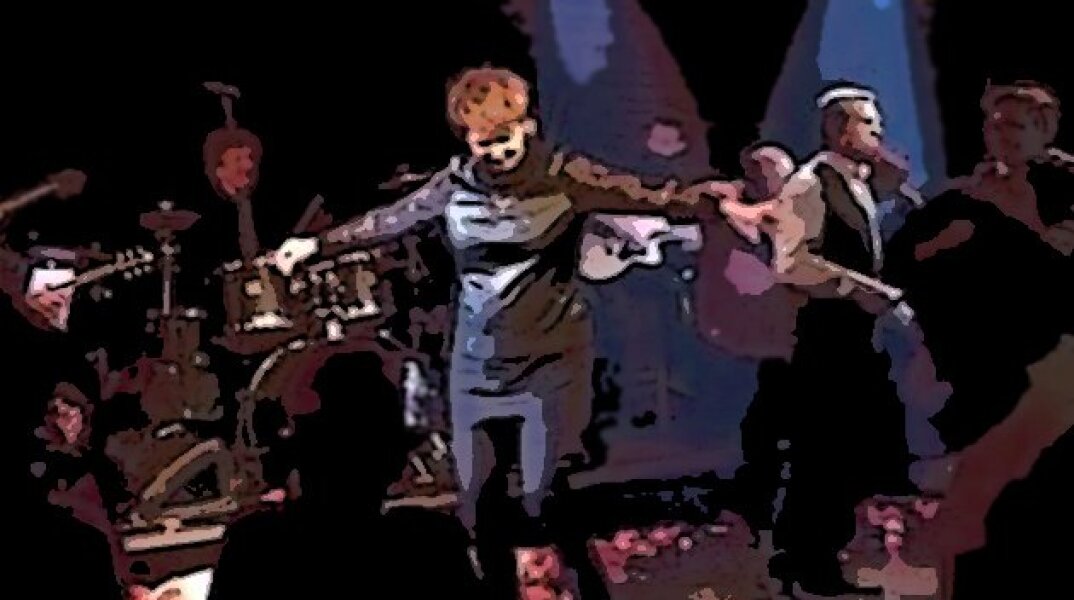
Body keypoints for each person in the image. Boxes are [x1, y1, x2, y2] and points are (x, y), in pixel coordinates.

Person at [269, 65, 735, 594]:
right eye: (483, 142)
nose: (496, 152)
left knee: (544, 502)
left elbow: (646, 196)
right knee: (479, 510)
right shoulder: (454, 184)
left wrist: (716, 201)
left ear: (526, 126)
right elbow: (389, 220)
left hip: (551, 360)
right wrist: (316, 245)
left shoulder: (564, 174)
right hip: (477, 366)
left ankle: (587, 590)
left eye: (504, 138)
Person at [758, 84, 915, 595]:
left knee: (845, 449)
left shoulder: (859, 182)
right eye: (867, 123)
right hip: (823, 337)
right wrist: (859, 288)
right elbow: (792, 263)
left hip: (855, 337)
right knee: (821, 450)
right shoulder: (809, 185)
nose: (878, 132)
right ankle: (806, 562)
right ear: (838, 129)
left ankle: (817, 555)